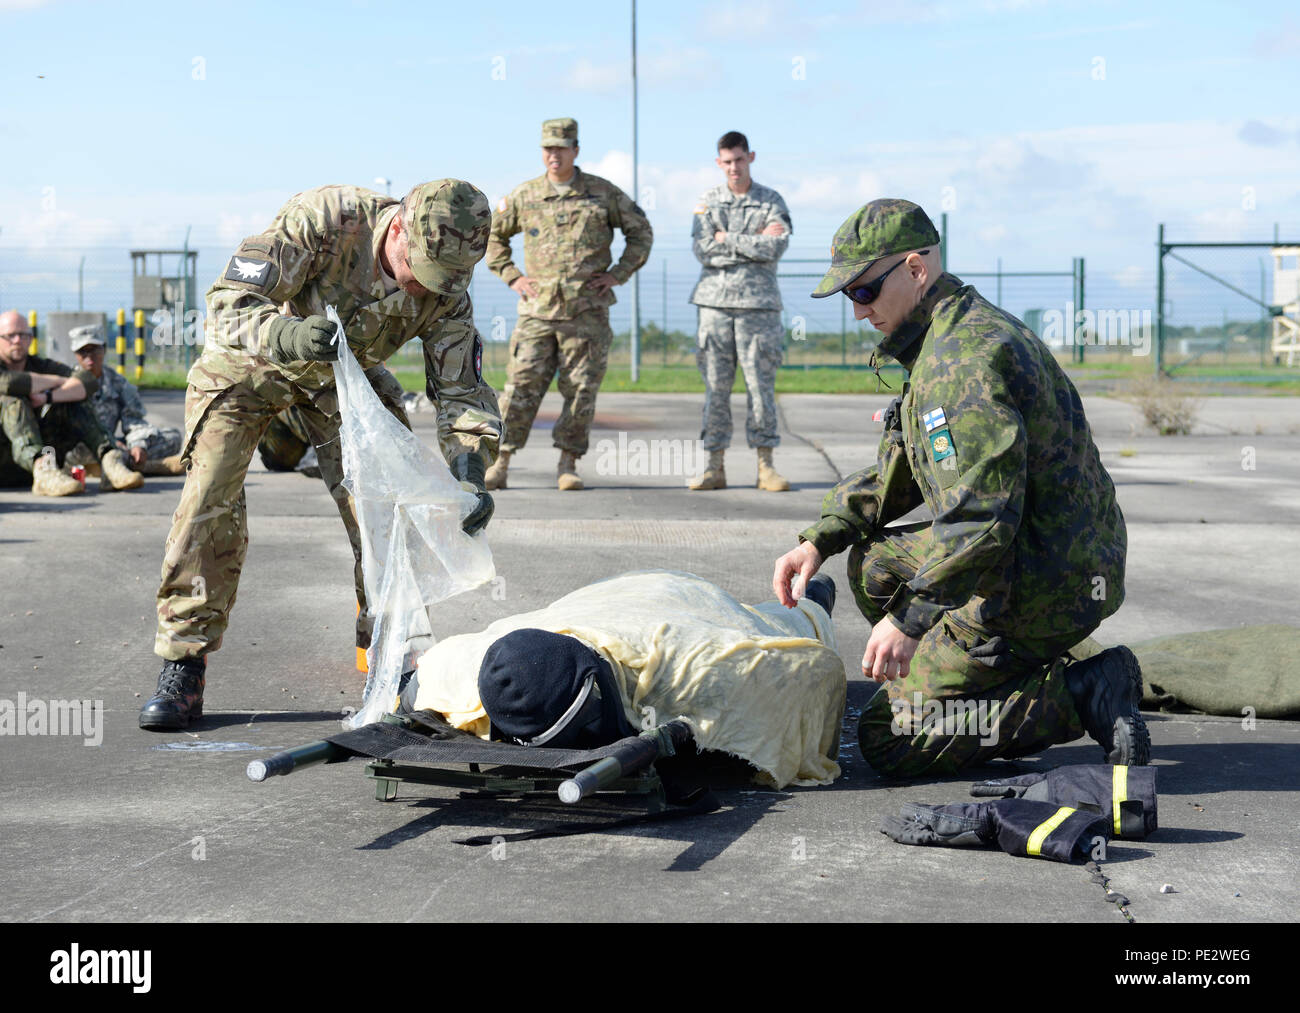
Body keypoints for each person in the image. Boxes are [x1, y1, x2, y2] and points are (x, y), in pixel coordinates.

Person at [771, 198, 1148, 779]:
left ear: (916, 270)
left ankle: (1083, 690)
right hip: (1049, 553)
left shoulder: (960, 361)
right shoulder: (946, 337)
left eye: (865, 292)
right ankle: (979, 675)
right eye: (850, 295)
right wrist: (820, 539)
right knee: (874, 563)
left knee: (887, 739)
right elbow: (905, 473)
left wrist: (911, 620)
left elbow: (982, 516)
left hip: (1045, 581)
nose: (858, 311)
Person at [141, 180, 502, 731]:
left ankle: (394, 659)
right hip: (253, 362)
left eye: (443, 279)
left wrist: (470, 471)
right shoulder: (328, 218)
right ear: (398, 226)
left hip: (342, 380)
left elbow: (460, 391)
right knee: (210, 495)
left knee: (388, 507)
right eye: (419, 267)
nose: (422, 286)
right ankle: (184, 662)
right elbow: (227, 305)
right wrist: (285, 333)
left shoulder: (448, 285)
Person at [401, 570, 844, 790]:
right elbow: (416, 684)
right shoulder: (475, 671)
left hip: (675, 601)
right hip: (594, 604)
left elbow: (812, 671)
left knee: (785, 623)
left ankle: (818, 591)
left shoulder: (697, 667)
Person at [484, 117, 653, 491]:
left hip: (586, 312)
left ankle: (568, 463)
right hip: (537, 312)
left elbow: (641, 233)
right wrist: (513, 276)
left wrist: (617, 275)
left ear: (575, 150)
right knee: (519, 388)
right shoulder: (525, 195)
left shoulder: (602, 193)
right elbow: (493, 237)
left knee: (580, 391)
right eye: (548, 148)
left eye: (561, 147)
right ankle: (500, 461)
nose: (553, 154)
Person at [688, 131, 792, 492]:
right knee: (715, 389)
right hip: (714, 307)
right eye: (727, 161)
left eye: (740, 159)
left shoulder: (770, 200)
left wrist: (726, 238)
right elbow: (702, 250)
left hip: (758, 308)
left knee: (760, 388)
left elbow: (775, 247)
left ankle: (766, 467)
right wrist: (752, 242)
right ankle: (714, 466)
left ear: (751, 157)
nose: (734, 167)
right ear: (719, 163)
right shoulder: (708, 202)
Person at [0, 310, 143, 495]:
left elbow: (88, 381)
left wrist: (48, 397)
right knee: (13, 401)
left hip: (46, 465)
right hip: (4, 460)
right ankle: (41, 466)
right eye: (10, 335)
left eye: (23, 335)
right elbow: (10, 383)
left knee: (73, 399)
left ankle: (109, 461)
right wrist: (59, 381)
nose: (18, 340)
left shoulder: (41, 366)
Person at [69, 324, 184, 476]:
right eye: (83, 351)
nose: (89, 356)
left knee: (172, 437)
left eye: (95, 349)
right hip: (82, 446)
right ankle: (144, 466)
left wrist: (138, 444)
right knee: (59, 450)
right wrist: (107, 443)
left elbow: (134, 420)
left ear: (104, 349)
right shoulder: (66, 382)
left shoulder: (119, 383)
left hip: (114, 445)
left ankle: (112, 465)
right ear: (75, 354)